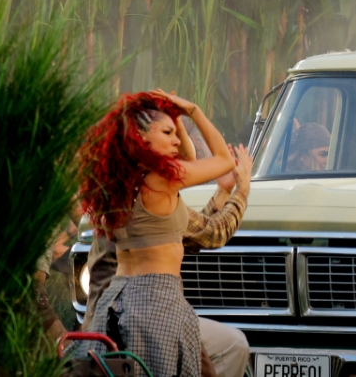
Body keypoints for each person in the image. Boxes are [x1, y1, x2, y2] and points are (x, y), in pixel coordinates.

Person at [76, 91, 238, 377]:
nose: (176, 140)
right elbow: (224, 160)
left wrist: (174, 119)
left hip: (116, 299)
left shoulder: (118, 183)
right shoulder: (162, 180)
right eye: (167, 132)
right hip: (155, 300)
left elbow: (188, 157)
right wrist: (193, 110)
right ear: (140, 135)